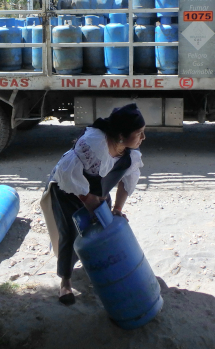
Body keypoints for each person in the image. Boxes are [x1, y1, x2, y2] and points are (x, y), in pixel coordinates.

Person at [39, 103, 146, 305]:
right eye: (139, 133)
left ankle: (98, 266)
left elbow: (126, 180)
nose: (143, 138)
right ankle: (65, 281)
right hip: (67, 189)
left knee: (103, 228)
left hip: (97, 191)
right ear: (121, 135)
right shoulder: (93, 144)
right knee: (71, 233)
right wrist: (89, 203)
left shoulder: (130, 154)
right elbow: (68, 175)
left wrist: (117, 210)